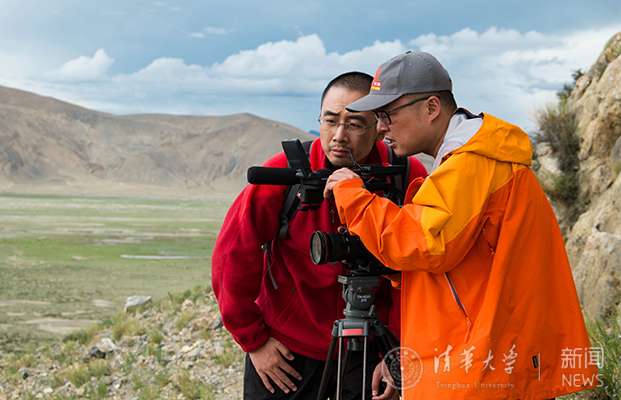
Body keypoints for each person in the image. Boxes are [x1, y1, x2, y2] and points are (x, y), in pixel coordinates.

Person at [324, 52, 598, 400]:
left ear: (431, 107)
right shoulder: (467, 161)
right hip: (488, 360)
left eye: (387, 115)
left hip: (486, 371)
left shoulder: (473, 164)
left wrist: (353, 196)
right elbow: (465, 264)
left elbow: (427, 245)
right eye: (378, 118)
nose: (380, 128)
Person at [211, 71, 427, 399]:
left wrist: (397, 350)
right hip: (286, 349)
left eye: (355, 124)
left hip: (372, 346)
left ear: (379, 128)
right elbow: (233, 255)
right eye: (330, 120)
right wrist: (254, 341)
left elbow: (419, 272)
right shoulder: (283, 172)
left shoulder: (405, 177)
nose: (339, 136)